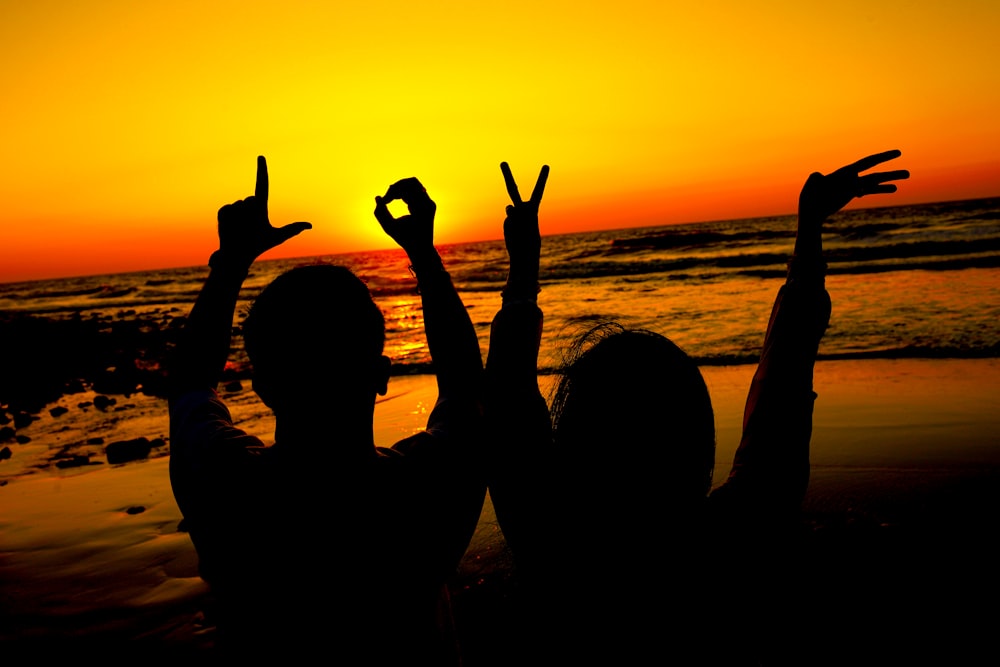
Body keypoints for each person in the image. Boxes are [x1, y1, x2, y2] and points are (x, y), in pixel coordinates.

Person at [484, 153, 909, 661]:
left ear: (571, 440)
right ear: (697, 443)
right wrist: (809, 233)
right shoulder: (732, 543)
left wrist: (523, 271)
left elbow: (509, 415)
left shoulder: (553, 549)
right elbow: (782, 395)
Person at [168, 157, 485, 662]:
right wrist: (424, 254)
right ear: (382, 376)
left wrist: (230, 264)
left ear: (262, 386)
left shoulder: (226, 484)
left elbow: (188, 386)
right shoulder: (424, 490)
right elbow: (467, 390)